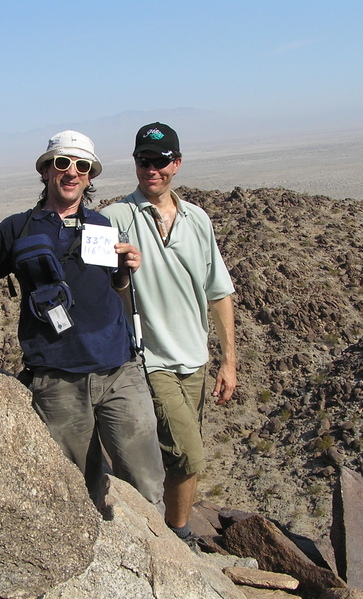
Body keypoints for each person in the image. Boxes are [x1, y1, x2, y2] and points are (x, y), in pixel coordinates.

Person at [0, 130, 165, 512]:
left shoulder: (102, 226)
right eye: (62, 163)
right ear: (46, 171)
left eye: (81, 166)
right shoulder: (16, 229)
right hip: (57, 380)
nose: (71, 173)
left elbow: (111, 290)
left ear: (89, 177)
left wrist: (123, 273)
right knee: (79, 491)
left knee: (146, 481)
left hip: (120, 370)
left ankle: (164, 564)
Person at [100, 122, 237, 549]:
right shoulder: (115, 218)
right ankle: (179, 538)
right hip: (149, 360)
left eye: (160, 161)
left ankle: (162, 527)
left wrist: (229, 360)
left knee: (175, 456)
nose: (151, 169)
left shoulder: (197, 219)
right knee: (188, 455)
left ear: (176, 164)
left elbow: (218, 292)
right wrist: (119, 272)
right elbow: (94, 282)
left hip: (194, 360)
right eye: (144, 161)